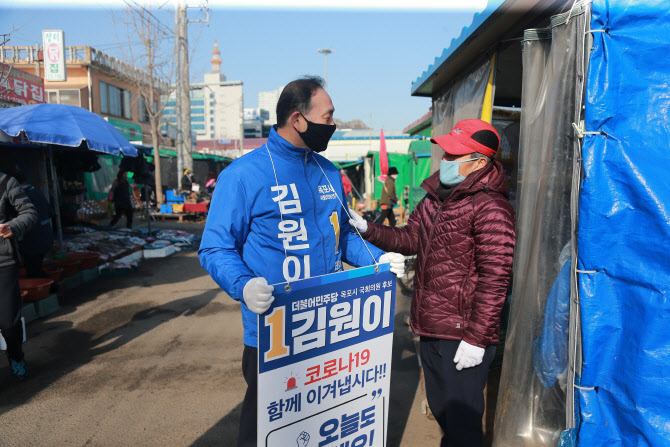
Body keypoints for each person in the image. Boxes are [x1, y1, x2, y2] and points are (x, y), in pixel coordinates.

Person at [198, 75, 405, 447]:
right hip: (274, 331)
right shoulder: (243, 176)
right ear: (298, 119)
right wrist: (242, 284)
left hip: (328, 325)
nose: (332, 125)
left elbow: (342, 236)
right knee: (267, 425)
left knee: (320, 420)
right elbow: (215, 248)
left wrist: (379, 259)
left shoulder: (328, 171)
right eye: (328, 117)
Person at [349, 119, 516, 447]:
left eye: (455, 155)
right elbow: (411, 239)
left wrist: (477, 339)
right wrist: (369, 230)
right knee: (443, 411)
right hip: (431, 325)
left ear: (479, 163)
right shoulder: (435, 199)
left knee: (463, 422)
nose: (446, 161)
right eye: (446, 152)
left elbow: (496, 279)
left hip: (463, 333)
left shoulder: (491, 207)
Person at [0, 171, 37, 380]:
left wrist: (12, 226)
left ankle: (16, 357)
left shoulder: (6, 182)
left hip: (3, 262)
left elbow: (29, 213)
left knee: (7, 321)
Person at [14, 170, 54, 279]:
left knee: (34, 271)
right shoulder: (37, 192)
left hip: (33, 240)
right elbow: (50, 212)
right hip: (44, 236)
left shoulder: (20, 196)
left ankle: (52, 287)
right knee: (35, 267)